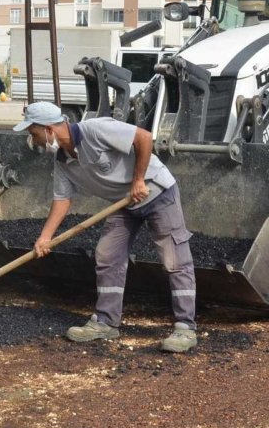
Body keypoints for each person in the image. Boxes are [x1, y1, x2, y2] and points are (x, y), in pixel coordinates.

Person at [15, 101, 198, 354]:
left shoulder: (95, 130)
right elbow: (62, 199)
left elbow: (144, 138)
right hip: (122, 203)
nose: (32, 140)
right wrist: (45, 238)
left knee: (174, 258)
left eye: (33, 133)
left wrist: (138, 180)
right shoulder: (62, 161)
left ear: (49, 129)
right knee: (107, 255)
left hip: (155, 191)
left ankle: (185, 327)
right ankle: (106, 322)